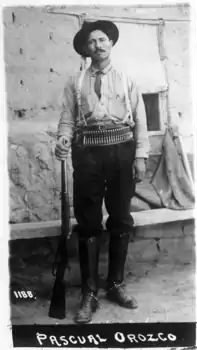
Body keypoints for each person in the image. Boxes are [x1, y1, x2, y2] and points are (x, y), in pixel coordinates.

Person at [55, 20, 149, 324]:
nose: (98, 45)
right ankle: (90, 292)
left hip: (123, 153)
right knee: (89, 222)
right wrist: (63, 138)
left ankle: (115, 285)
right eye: (92, 42)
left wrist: (141, 157)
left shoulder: (127, 79)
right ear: (85, 48)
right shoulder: (74, 82)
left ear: (111, 43)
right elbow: (67, 120)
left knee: (121, 218)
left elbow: (142, 122)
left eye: (103, 39)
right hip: (88, 156)